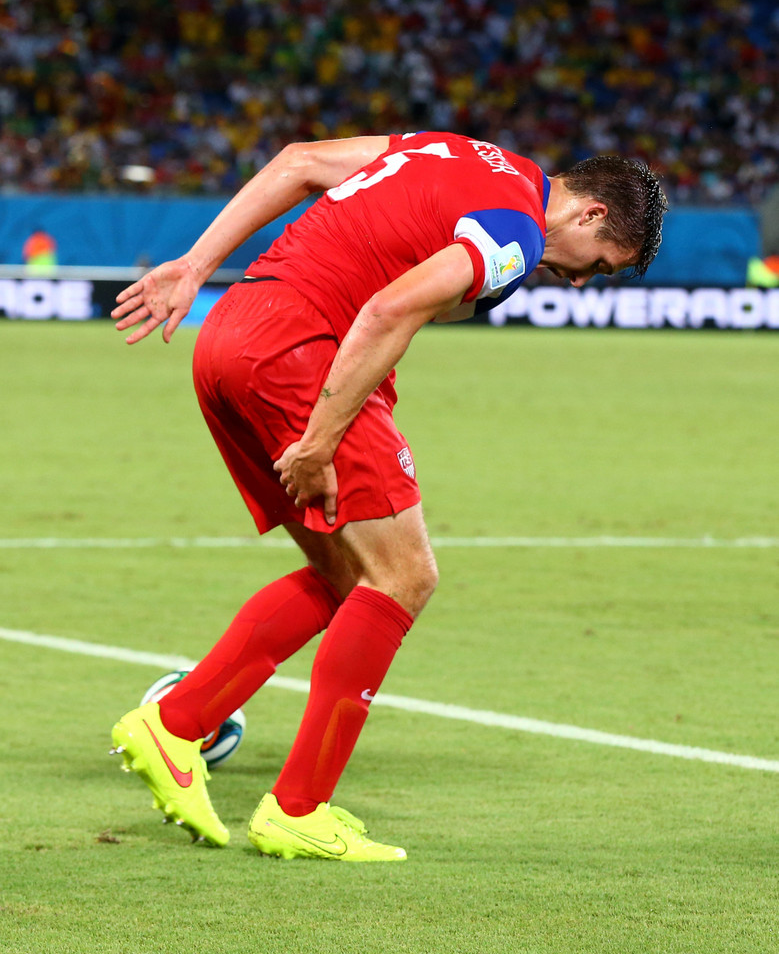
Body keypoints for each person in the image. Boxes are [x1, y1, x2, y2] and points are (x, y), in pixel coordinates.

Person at [109, 131, 667, 860]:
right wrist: (317, 440)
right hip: (303, 349)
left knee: (350, 579)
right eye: (597, 266)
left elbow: (299, 162)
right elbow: (385, 312)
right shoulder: (517, 234)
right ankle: (295, 808)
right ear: (591, 214)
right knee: (404, 576)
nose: (580, 282)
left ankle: (176, 723)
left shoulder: (458, 153)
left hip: (232, 335)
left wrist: (194, 266)